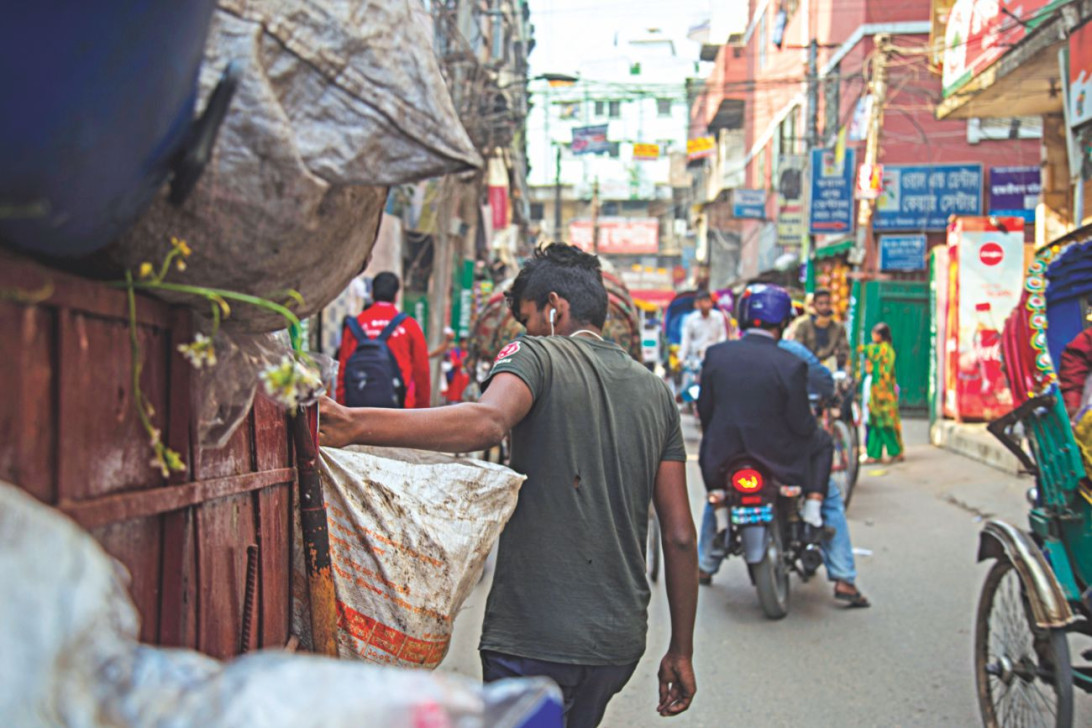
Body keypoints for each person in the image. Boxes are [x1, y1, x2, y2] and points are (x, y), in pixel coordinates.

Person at [319, 244, 698, 727]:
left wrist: (353, 424)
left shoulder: (535, 354)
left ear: (555, 307)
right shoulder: (657, 394)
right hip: (616, 645)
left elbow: (487, 422)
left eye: (528, 318)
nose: (527, 330)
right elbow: (681, 536)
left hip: (533, 638)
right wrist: (681, 652)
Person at [696, 283, 869, 607]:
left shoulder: (716, 356)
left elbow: (704, 411)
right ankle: (842, 574)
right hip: (780, 461)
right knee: (825, 464)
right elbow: (802, 425)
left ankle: (704, 566)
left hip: (723, 458)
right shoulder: (791, 362)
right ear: (782, 322)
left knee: (718, 493)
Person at [336, 272, 431, 408]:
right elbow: (422, 373)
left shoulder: (354, 326)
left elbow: (342, 372)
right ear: (396, 296)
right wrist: (422, 412)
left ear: (372, 293)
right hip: (399, 414)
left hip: (358, 413)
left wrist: (343, 409)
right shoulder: (409, 326)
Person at [863, 323, 903, 464]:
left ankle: (894, 451)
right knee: (875, 424)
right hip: (877, 392)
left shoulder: (884, 351)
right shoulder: (883, 350)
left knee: (885, 424)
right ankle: (874, 453)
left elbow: (866, 351)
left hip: (884, 393)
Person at [788, 287, 849, 370]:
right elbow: (798, 349)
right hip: (807, 369)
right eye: (820, 303)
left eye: (827, 303)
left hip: (831, 370)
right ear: (814, 305)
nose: (824, 307)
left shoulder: (838, 328)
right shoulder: (803, 326)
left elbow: (843, 350)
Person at [679, 290, 728, 364]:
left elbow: (722, 336)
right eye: (705, 301)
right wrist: (681, 359)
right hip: (696, 358)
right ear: (699, 303)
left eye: (709, 301)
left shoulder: (718, 316)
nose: (708, 304)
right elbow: (686, 340)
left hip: (714, 357)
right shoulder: (691, 319)